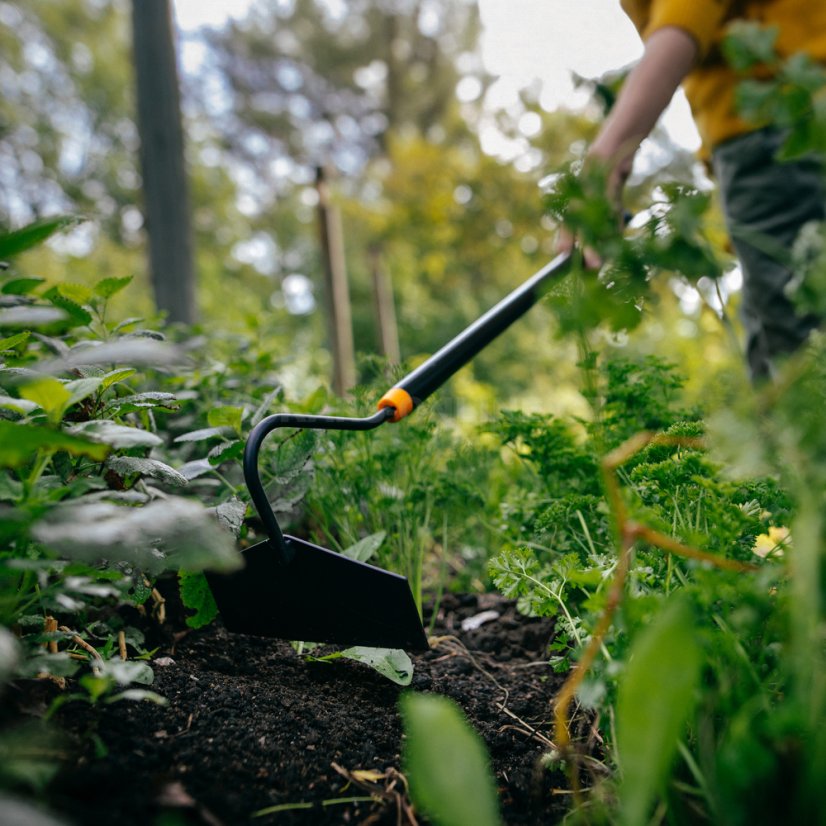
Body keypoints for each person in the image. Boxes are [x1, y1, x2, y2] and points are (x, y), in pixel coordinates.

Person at [559, 0, 826, 380]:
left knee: (798, 373)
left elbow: (690, 10)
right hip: (776, 122)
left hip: (779, 122)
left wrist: (606, 162)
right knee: (779, 358)